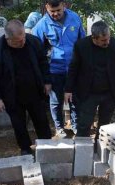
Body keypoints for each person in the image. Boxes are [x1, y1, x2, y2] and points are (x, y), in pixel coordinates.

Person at [0, 20, 52, 156]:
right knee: (18, 124)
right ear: (8, 38)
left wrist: (47, 81)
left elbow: (43, 62)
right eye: (18, 41)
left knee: (41, 120)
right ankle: (25, 148)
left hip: (35, 91)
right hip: (11, 95)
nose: (22, 43)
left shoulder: (33, 42)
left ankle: (47, 144)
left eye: (23, 38)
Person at [64, 21, 115, 137]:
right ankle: (83, 150)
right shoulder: (81, 46)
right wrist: (68, 89)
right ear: (94, 38)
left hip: (109, 92)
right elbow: (73, 68)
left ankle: (99, 149)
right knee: (84, 125)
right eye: (104, 41)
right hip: (88, 92)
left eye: (109, 38)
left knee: (104, 126)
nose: (108, 42)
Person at [32, 0, 86, 138]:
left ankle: (75, 125)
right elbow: (36, 51)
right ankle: (59, 127)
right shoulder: (41, 25)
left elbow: (83, 42)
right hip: (55, 70)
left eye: (58, 11)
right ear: (46, 8)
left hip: (74, 69)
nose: (55, 14)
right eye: (52, 11)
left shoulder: (75, 18)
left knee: (75, 99)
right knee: (56, 101)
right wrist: (44, 77)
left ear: (64, 5)